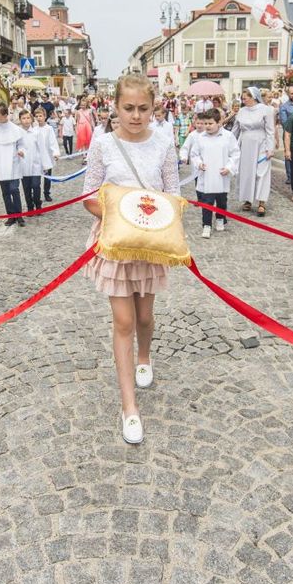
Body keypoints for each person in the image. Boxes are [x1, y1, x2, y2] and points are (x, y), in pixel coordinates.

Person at [81, 74, 180, 445]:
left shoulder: (164, 143)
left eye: (143, 108)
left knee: (144, 316)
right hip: (117, 243)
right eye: (128, 108)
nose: (136, 116)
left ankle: (145, 355)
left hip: (150, 243)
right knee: (123, 319)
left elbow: (173, 193)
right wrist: (114, 213)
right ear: (115, 107)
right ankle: (129, 407)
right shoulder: (103, 144)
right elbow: (89, 194)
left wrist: (152, 212)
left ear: (153, 108)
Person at [191, 108, 239, 239]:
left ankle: (220, 217)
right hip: (206, 176)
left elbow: (235, 154)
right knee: (207, 201)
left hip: (221, 174)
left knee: (221, 200)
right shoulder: (200, 138)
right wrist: (199, 163)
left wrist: (229, 167)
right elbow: (195, 154)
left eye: (210, 123)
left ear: (219, 123)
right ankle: (206, 225)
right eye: (205, 123)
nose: (207, 126)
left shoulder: (228, 136)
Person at [233, 87, 275, 216]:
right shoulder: (241, 111)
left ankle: (261, 202)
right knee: (246, 173)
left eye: (245, 98)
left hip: (261, 143)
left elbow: (270, 130)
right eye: (242, 98)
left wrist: (270, 148)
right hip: (245, 144)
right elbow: (235, 130)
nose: (243, 101)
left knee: (261, 172)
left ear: (253, 97)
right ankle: (248, 200)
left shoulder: (266, 110)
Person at [17, 108, 44, 212]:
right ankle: (30, 207)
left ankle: (38, 204)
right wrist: (19, 151)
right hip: (23, 164)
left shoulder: (36, 132)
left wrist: (44, 164)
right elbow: (17, 145)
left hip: (35, 164)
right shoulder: (18, 133)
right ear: (20, 120)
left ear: (32, 119)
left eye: (28, 118)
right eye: (23, 118)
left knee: (36, 185)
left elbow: (41, 148)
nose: (26, 120)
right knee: (26, 187)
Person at [33, 106, 59, 203]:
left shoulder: (49, 129)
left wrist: (55, 152)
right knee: (37, 178)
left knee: (47, 177)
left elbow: (52, 142)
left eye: (40, 116)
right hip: (37, 157)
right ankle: (37, 196)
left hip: (47, 156)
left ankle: (46, 193)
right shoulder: (34, 129)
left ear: (45, 116)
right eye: (37, 116)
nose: (39, 118)